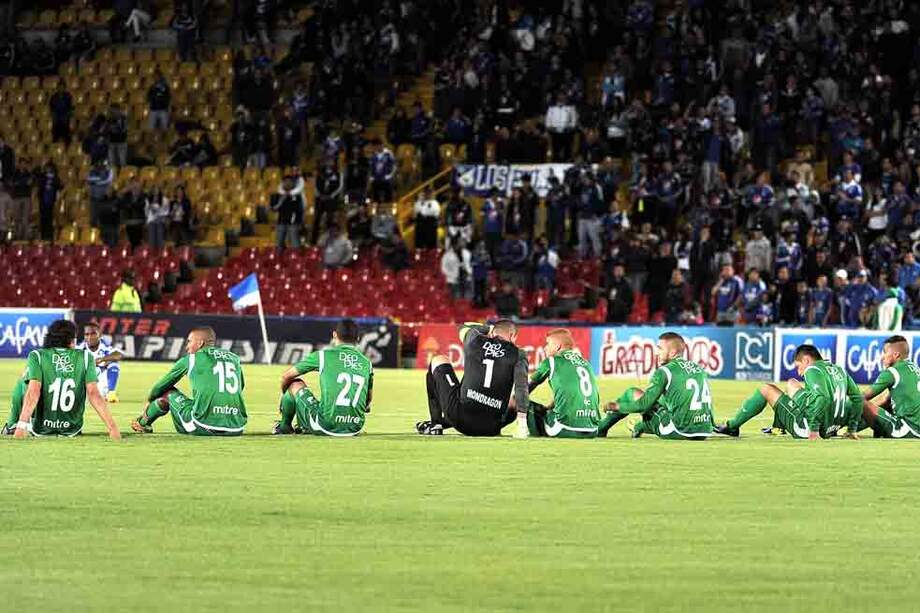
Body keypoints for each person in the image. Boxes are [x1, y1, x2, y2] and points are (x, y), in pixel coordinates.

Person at [3, 319, 120, 439]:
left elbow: (33, 392)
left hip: (40, 428)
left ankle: (13, 425)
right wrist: (113, 428)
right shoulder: (85, 356)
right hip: (72, 428)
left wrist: (22, 426)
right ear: (71, 339)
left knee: (24, 379)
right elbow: (93, 394)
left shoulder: (37, 355)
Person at [714, 345, 861, 439]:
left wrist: (813, 429)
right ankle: (778, 427)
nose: (799, 372)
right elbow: (857, 398)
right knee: (792, 383)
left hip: (808, 428)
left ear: (806, 360)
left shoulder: (812, 369)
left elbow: (823, 397)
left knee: (766, 389)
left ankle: (732, 427)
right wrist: (852, 429)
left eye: (798, 366)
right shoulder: (838, 369)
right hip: (831, 427)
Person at [416, 320, 529, 437]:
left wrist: (489, 328)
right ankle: (511, 424)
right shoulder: (519, 354)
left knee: (438, 359)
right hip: (492, 427)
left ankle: (436, 423)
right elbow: (522, 388)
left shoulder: (474, 340)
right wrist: (522, 424)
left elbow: (462, 326)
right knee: (516, 400)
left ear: (493, 333)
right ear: (512, 336)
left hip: (460, 419)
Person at [131, 327, 247, 436]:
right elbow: (240, 387)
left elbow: (159, 387)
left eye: (189, 342)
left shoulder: (192, 359)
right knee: (197, 403)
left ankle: (142, 423)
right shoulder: (234, 358)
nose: (186, 347)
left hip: (202, 426)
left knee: (167, 392)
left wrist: (149, 400)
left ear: (200, 343)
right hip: (236, 428)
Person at [598, 332, 714, 439]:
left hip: (679, 431)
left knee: (632, 393)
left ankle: (602, 428)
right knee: (661, 402)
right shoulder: (699, 369)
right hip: (705, 431)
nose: (656, 352)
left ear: (672, 352)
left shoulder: (664, 371)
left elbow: (643, 405)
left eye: (660, 348)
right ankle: (639, 427)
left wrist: (615, 406)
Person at [272, 319, 373, 437]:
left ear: (334, 335)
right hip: (355, 427)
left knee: (294, 384)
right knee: (325, 405)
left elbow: (286, 376)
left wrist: (285, 396)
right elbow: (367, 403)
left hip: (326, 425)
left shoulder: (322, 356)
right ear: (358, 338)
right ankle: (305, 425)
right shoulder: (367, 363)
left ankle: (284, 427)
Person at [526, 329, 600, 438]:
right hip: (592, 429)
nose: (545, 348)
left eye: (548, 344)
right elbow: (571, 391)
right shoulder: (586, 363)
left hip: (564, 428)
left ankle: (533, 437)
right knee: (548, 410)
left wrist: (513, 400)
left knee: (521, 400)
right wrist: (549, 407)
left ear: (557, 346)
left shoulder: (551, 361)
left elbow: (526, 389)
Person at [859, 336, 920, 438]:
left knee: (858, 400)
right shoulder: (915, 368)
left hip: (907, 429)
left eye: (885, 353)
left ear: (896, 355)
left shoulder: (892, 372)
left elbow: (861, 398)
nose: (882, 357)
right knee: (886, 405)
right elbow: (886, 401)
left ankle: (835, 426)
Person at [76, 322, 123, 403]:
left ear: (100, 335)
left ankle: (111, 393)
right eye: (87, 334)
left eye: (93, 334)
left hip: (100, 381)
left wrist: (102, 359)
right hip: (85, 381)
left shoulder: (104, 346)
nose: (90, 337)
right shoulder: (80, 348)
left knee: (114, 364)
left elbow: (118, 355)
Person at [272, 175, 304, 250]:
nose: (287, 184)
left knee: (294, 242)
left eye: (289, 182)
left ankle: (296, 258)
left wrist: (300, 222)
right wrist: (281, 200)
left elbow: (299, 210)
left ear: (293, 184)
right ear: (282, 183)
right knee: (279, 243)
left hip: (293, 222)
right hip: (281, 221)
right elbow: (274, 208)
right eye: (285, 182)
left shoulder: (297, 196)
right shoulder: (277, 195)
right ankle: (279, 258)